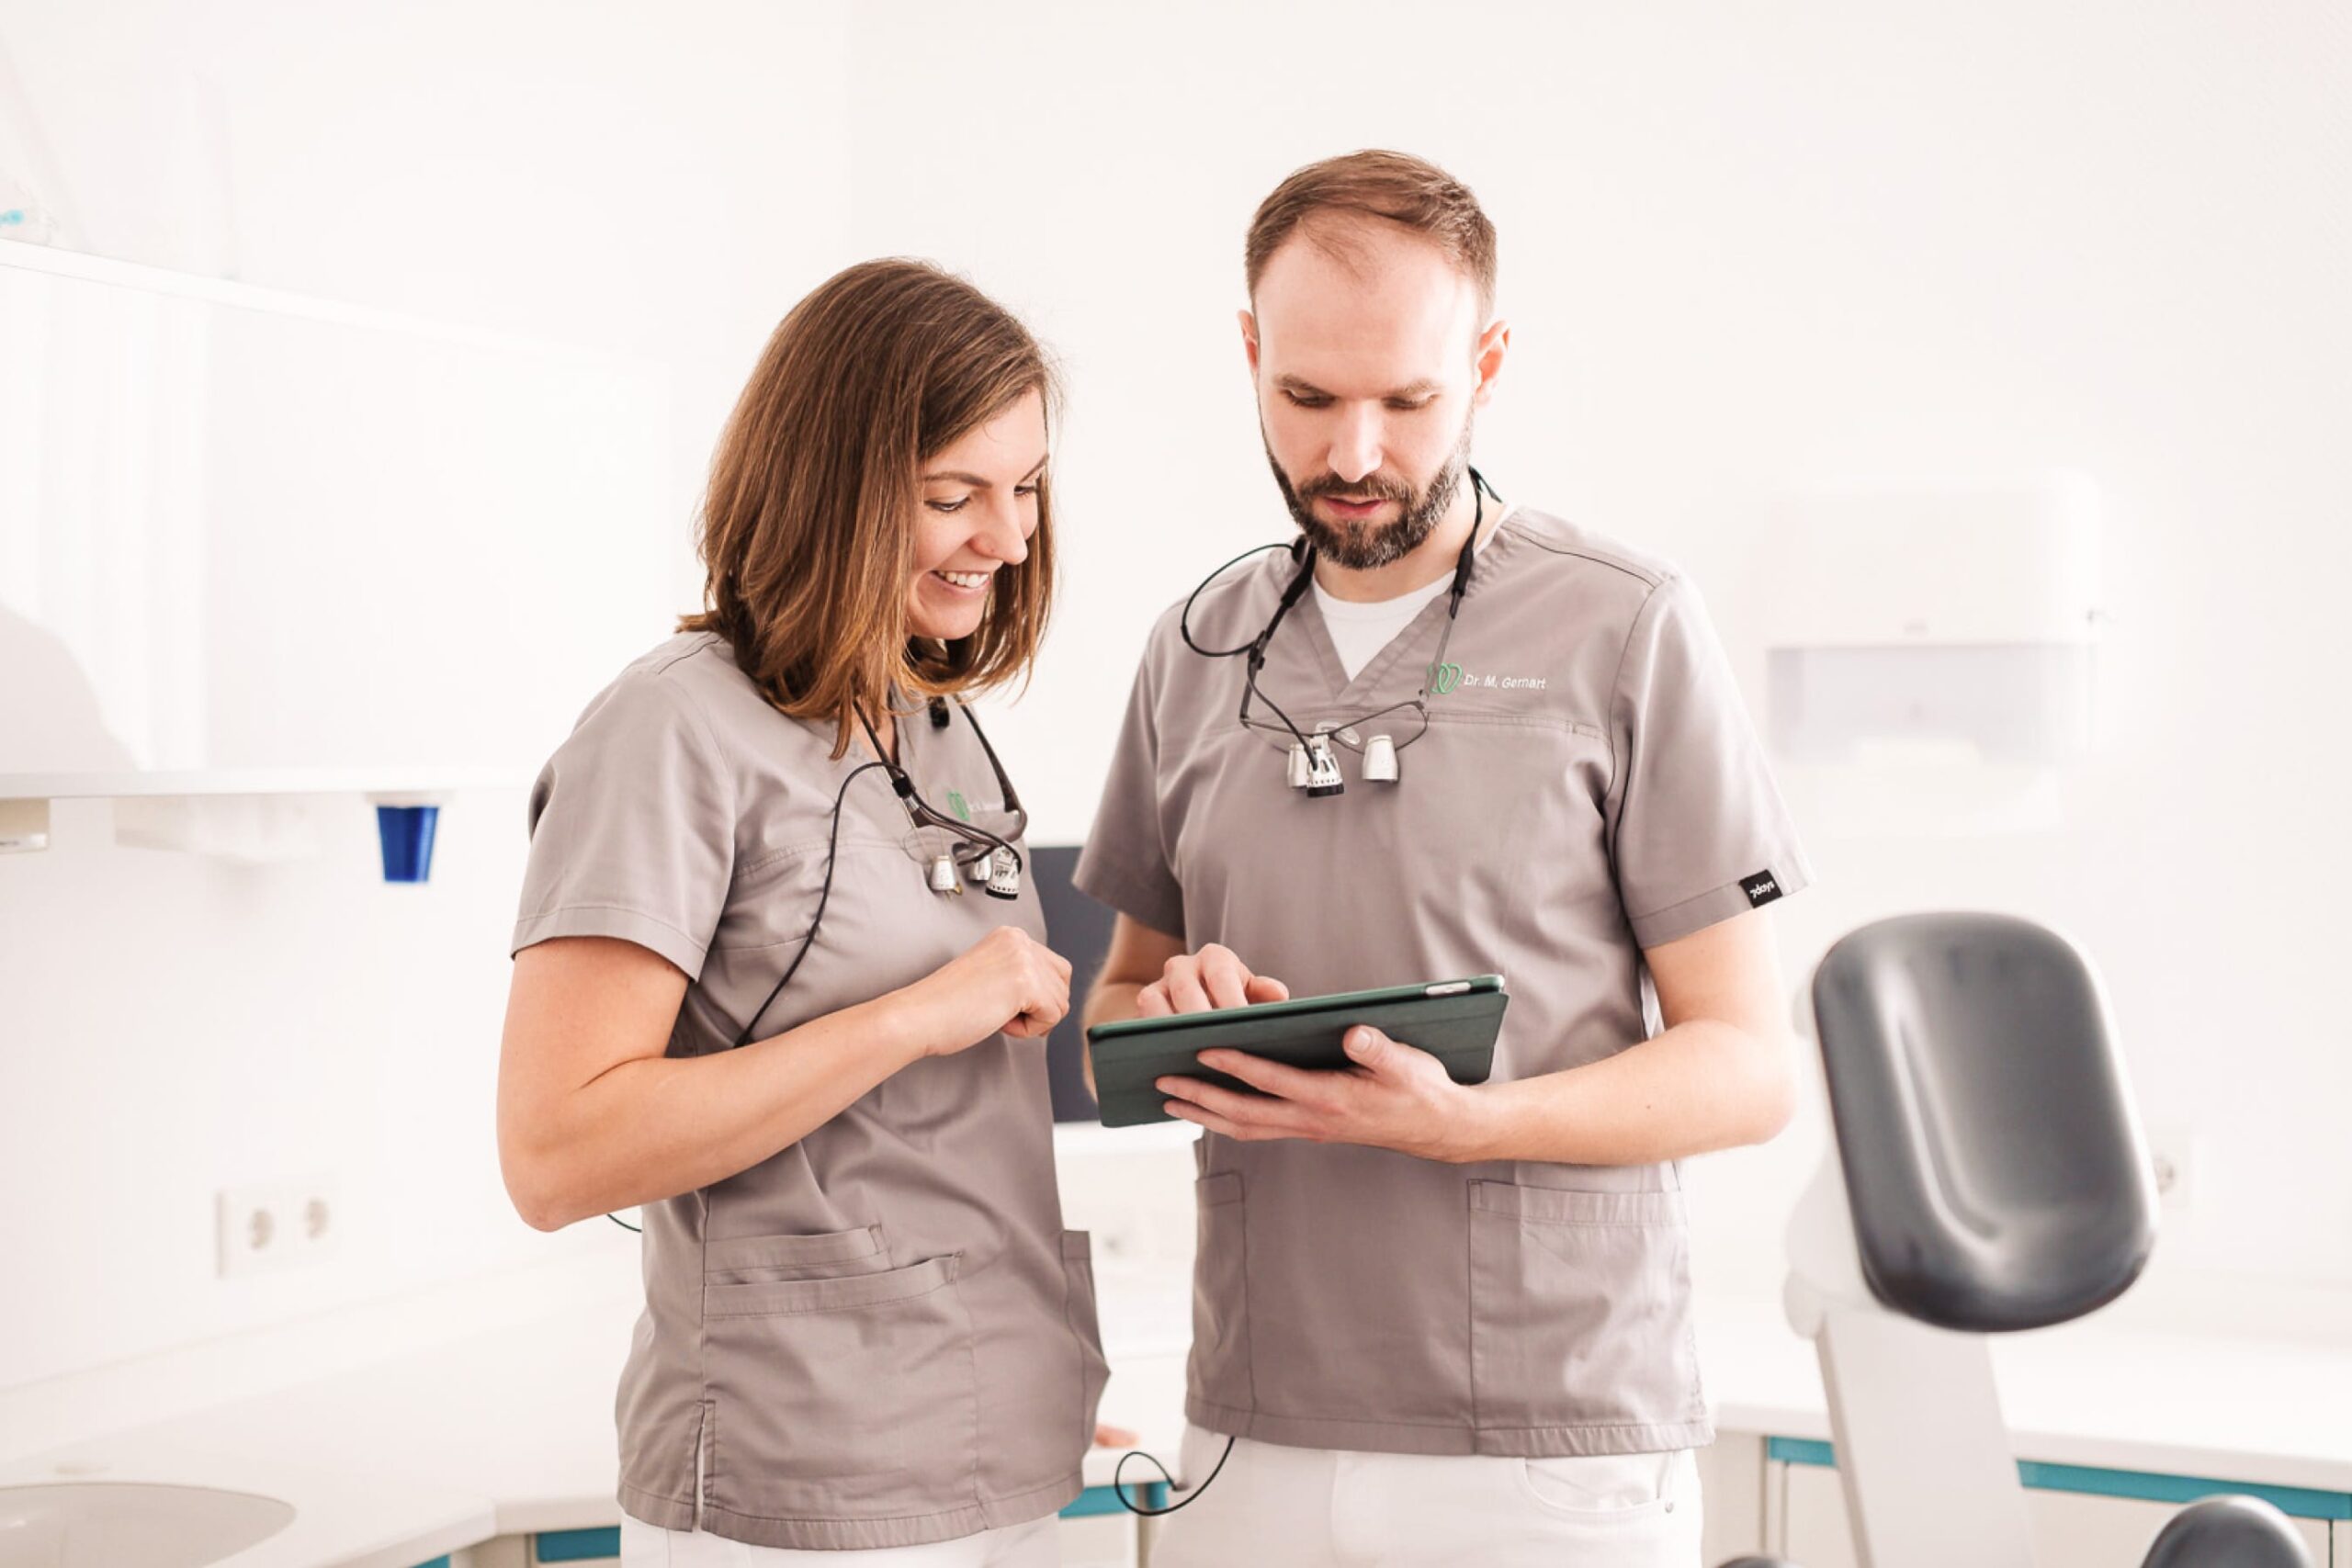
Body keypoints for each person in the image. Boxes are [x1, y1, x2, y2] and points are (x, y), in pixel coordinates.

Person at [1077, 151, 1813, 1566]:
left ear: (1485, 365)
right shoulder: (1196, 649)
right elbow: (1119, 1004)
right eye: (1305, 399)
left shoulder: (1626, 627)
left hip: (1546, 1444)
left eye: (1406, 402)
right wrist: (1173, 1019)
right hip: (1257, 1430)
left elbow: (1749, 1063)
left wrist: (1465, 1125)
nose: (1354, 456)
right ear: (1249, 355)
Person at [499, 259, 1111, 1565]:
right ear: (830, 487)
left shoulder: (935, 728)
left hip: (998, 1453)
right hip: (801, 1482)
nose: (1004, 540)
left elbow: (942, 1128)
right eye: (954, 495)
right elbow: (555, 1156)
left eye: (1026, 489)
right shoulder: (668, 731)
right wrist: (914, 1018)